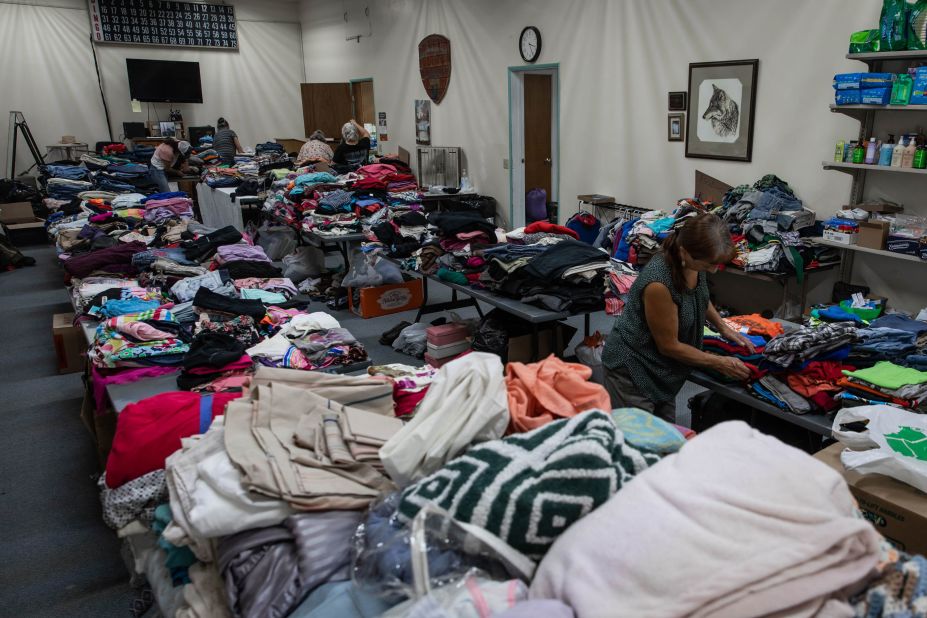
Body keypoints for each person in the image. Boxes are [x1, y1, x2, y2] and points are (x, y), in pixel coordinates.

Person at [601, 212, 756, 422]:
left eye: (715, 264)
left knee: (666, 437)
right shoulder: (659, 284)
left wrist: (723, 327)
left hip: (662, 367)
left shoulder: (693, 262)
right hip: (633, 368)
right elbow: (669, 346)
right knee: (639, 442)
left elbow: (700, 295)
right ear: (685, 251)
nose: (713, 270)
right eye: (708, 264)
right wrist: (719, 362)